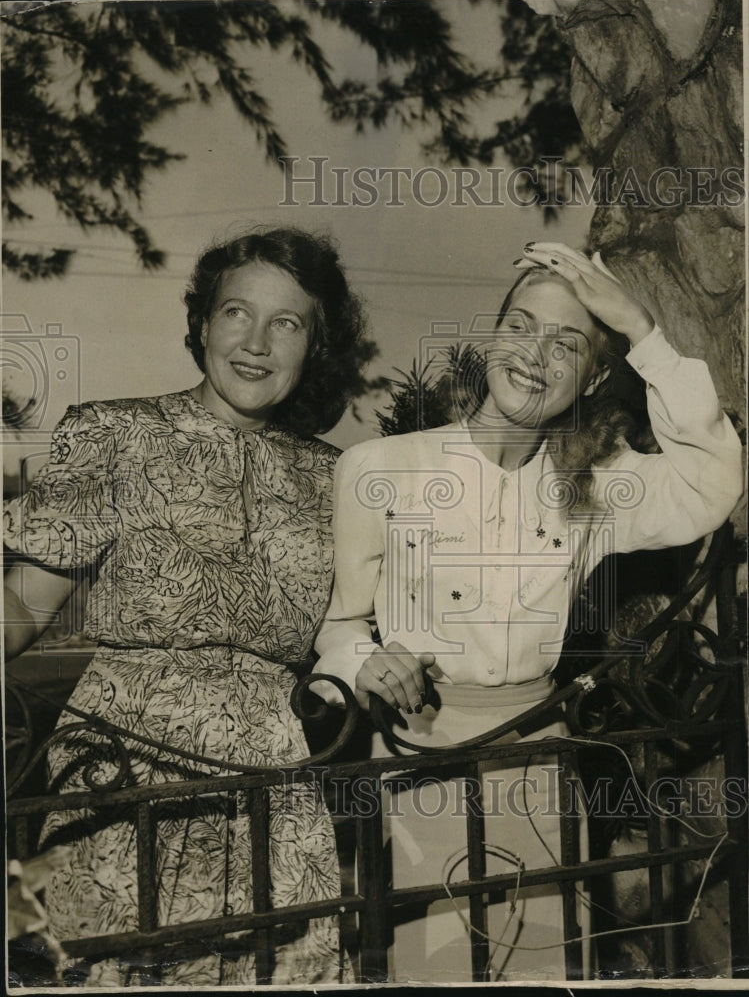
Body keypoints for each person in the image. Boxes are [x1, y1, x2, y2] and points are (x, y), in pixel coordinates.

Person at [312, 242, 744, 982]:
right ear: (492, 338)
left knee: (544, 961)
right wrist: (365, 662)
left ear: (595, 376)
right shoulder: (379, 469)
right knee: (434, 965)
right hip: (419, 756)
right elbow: (340, 625)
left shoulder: (596, 484)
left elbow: (713, 482)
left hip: (537, 758)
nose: (534, 355)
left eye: (566, 343)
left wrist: (642, 331)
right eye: (519, 327)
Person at [3, 226, 371, 986]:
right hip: (122, 769)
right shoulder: (114, 435)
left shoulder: (335, 478)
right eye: (236, 313)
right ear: (203, 323)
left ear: (313, 346)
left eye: (287, 323)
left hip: (272, 779)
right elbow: (24, 609)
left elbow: (359, 632)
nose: (257, 343)